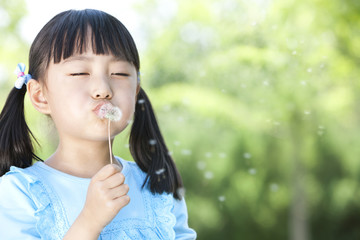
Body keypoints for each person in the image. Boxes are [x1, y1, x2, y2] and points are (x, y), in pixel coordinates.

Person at [0, 9, 196, 239]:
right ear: (40, 95)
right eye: (80, 72)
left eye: (120, 73)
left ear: (135, 91)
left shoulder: (157, 188)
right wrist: (90, 221)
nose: (103, 89)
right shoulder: (18, 193)